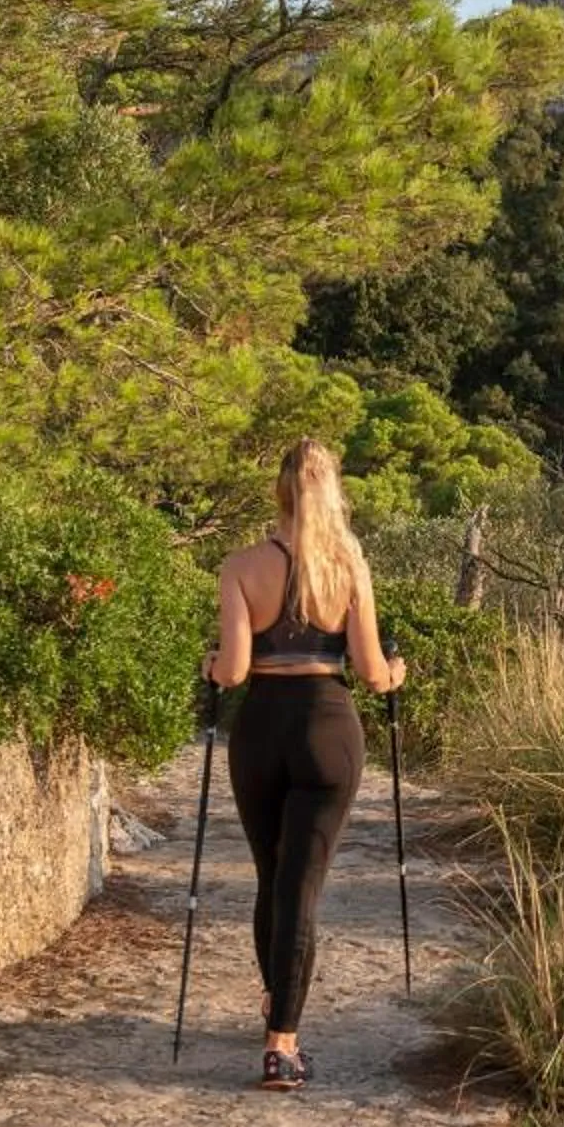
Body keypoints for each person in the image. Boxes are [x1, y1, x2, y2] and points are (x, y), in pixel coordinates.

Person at [205, 439, 407, 1092]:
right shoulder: (350, 565)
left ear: (279, 491)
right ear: (332, 492)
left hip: (261, 729)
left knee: (272, 876)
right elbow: (374, 675)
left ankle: (277, 1002)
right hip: (328, 731)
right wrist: (398, 671)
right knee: (303, 885)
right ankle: (282, 1043)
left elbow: (233, 671)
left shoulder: (241, 566)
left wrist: (212, 667)